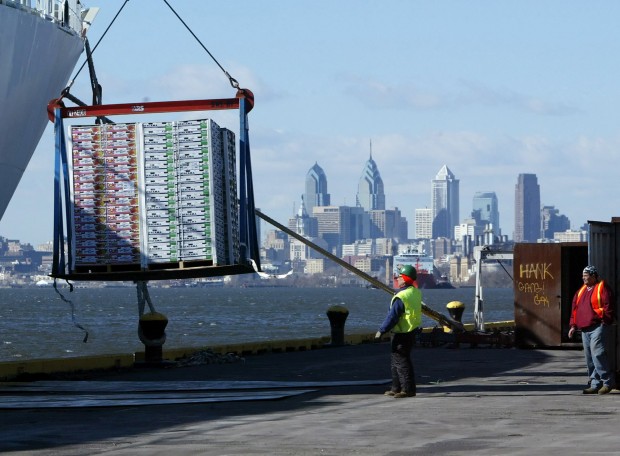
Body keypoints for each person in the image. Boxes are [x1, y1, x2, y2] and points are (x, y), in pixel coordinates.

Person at [375, 264, 422, 398]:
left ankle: (407, 390)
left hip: (402, 332)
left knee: (401, 361)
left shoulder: (402, 296)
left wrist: (381, 330)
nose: (397, 279)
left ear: (405, 278)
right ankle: (396, 388)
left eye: (400, 277)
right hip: (411, 330)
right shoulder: (415, 292)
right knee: (397, 360)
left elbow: (393, 316)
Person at [568, 265, 615, 395]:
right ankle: (595, 383)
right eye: (583, 276)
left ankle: (608, 382)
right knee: (589, 357)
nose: (584, 278)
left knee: (597, 353)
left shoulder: (602, 288)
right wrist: (573, 326)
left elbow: (608, 305)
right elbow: (575, 310)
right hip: (584, 328)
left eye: (586, 276)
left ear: (594, 276)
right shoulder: (581, 291)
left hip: (598, 326)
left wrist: (606, 321)